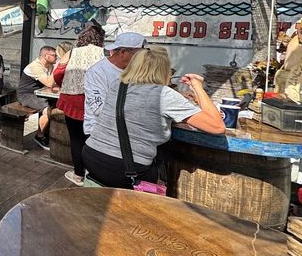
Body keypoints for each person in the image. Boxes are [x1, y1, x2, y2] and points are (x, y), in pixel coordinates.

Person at [83, 48, 225, 188]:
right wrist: (197, 87)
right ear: (163, 70)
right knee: (160, 177)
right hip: (126, 169)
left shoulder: (118, 85)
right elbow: (217, 127)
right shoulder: (164, 94)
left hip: (91, 155)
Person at [54, 22, 105, 186]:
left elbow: (57, 75)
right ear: (100, 39)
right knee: (95, 139)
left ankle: (78, 175)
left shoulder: (72, 52)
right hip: (96, 101)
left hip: (72, 100)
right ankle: (94, 175)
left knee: (76, 139)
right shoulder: (106, 53)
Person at [83, 32, 147, 137]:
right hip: (100, 131)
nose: (142, 58)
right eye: (139, 54)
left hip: (126, 129)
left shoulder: (136, 70)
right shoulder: (97, 72)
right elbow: (99, 108)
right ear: (123, 52)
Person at [17, 45, 58, 149]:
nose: (57, 57)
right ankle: (39, 136)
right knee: (48, 110)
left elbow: (53, 83)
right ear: (46, 56)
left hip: (38, 94)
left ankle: (49, 133)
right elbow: (49, 83)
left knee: (56, 105)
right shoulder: (35, 66)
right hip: (26, 95)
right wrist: (60, 66)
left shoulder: (49, 66)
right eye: (54, 55)